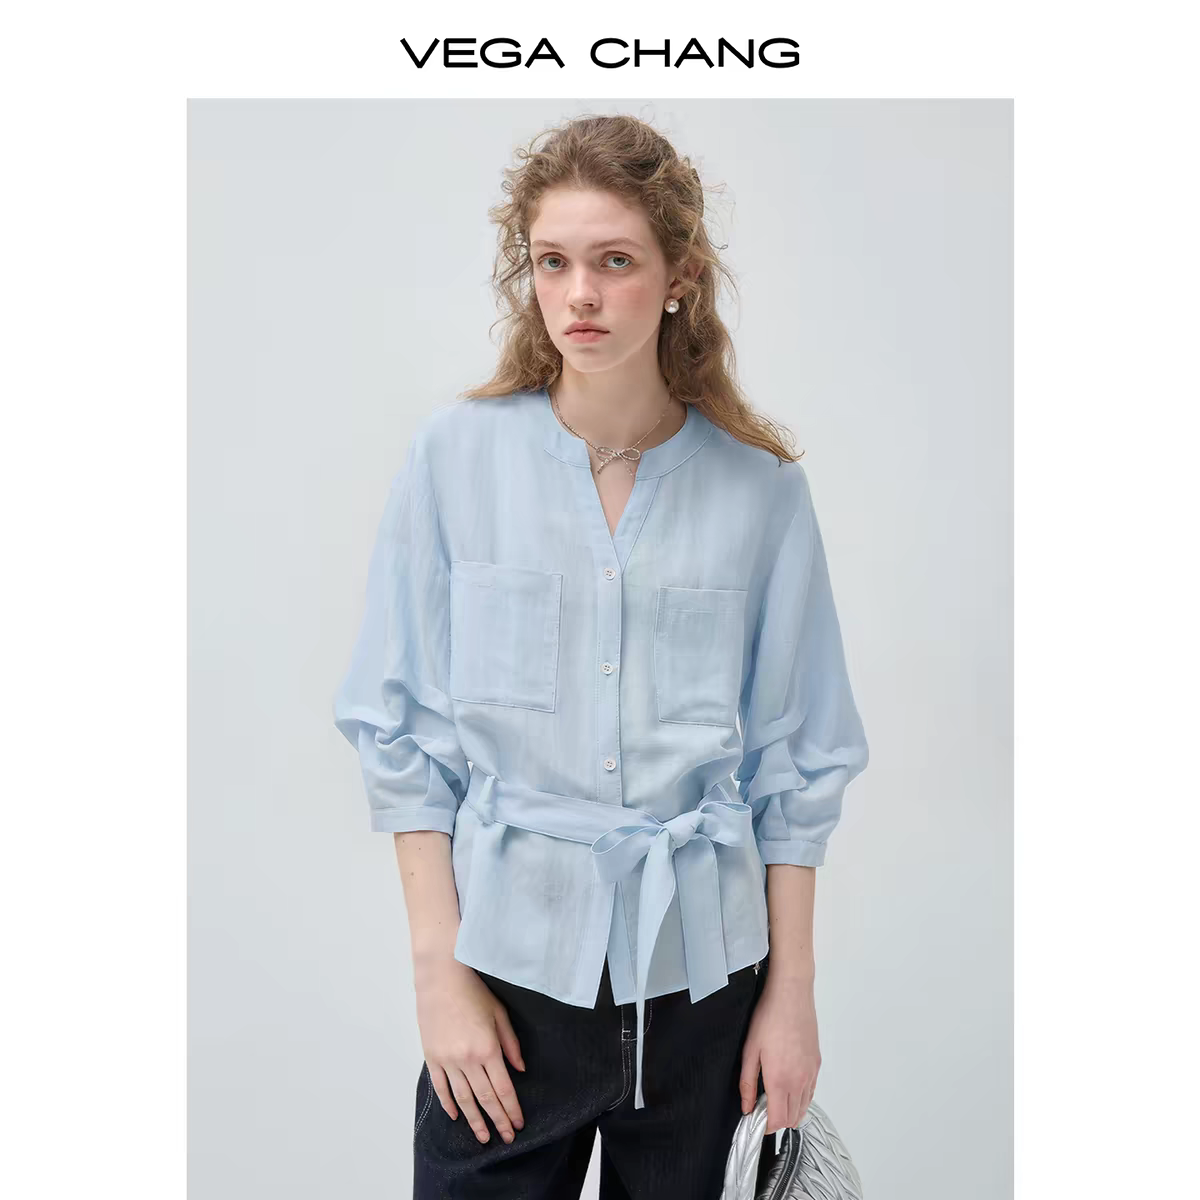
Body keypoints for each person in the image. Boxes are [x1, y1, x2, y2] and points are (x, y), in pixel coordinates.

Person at [332, 113, 870, 1200]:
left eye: (615, 261)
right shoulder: (454, 459)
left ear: (680, 278)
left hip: (707, 995)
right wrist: (439, 978)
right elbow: (402, 736)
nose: (579, 293)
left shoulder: (762, 492)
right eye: (553, 262)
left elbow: (798, 762)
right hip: (508, 989)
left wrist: (791, 996)